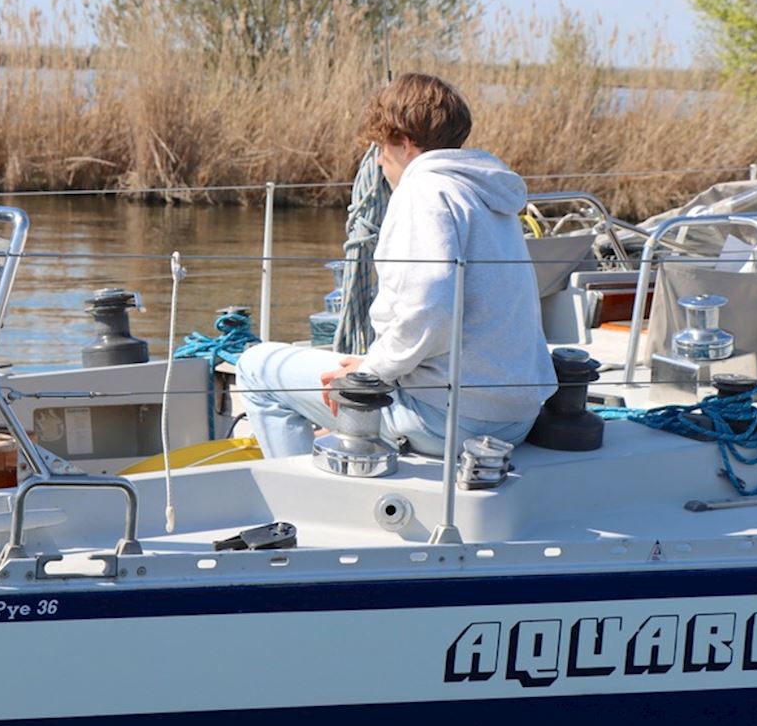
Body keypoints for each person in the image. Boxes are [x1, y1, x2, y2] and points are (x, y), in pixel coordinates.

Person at [235, 73, 557, 458]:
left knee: (255, 367)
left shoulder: (423, 192)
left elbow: (430, 310)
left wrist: (371, 373)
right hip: (516, 417)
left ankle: (296, 493)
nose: (379, 162)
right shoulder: (486, 194)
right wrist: (374, 362)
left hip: (445, 419)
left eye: (380, 149)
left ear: (404, 143)